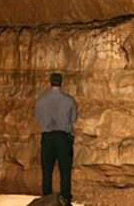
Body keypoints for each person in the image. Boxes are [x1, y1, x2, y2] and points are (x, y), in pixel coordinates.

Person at [34, 71, 77, 205]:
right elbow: (74, 118)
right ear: (61, 82)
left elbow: (38, 117)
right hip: (63, 138)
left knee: (47, 170)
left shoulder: (41, 100)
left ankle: (47, 199)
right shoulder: (69, 100)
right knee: (65, 170)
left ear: (50, 82)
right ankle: (65, 199)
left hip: (47, 137)